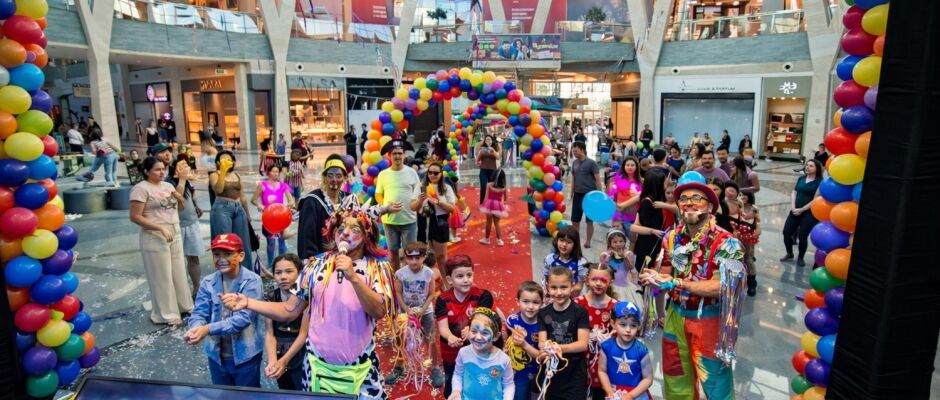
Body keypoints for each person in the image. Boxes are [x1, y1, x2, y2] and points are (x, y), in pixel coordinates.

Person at [221, 197, 392, 398]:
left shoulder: (377, 269)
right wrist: (248, 303)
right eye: (341, 227)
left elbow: (379, 311)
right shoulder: (314, 266)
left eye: (354, 229)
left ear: (366, 235)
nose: (345, 232)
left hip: (361, 369)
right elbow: (289, 310)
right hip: (317, 369)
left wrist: (353, 278)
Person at [639, 172, 744, 400]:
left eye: (697, 198)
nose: (689, 204)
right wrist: (654, 277)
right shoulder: (671, 237)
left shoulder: (728, 243)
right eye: (683, 199)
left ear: (710, 207)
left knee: (716, 385)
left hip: (709, 320)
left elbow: (722, 286)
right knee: (675, 380)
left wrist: (677, 282)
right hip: (674, 317)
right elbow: (666, 271)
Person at [184, 234, 265, 387]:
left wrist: (207, 329)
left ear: (240, 256)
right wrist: (195, 329)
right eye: (216, 255)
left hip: (245, 356)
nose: (221, 259)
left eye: (227, 254)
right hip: (216, 356)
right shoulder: (208, 281)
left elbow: (242, 319)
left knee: (247, 396)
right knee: (222, 394)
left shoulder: (252, 281)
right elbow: (199, 312)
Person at [129, 157, 193, 325]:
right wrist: (160, 228)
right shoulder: (140, 189)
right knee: (161, 276)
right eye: (157, 169)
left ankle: (184, 305)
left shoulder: (168, 186)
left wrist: (179, 197)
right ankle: (166, 313)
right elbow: (135, 216)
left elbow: (175, 208)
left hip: (174, 231)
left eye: (163, 169)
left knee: (179, 271)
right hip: (155, 235)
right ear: (146, 171)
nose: (161, 172)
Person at [385, 242, 445, 387]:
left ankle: (435, 368)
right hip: (405, 312)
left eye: (417, 258)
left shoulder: (428, 273)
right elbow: (398, 293)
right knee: (401, 339)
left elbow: (431, 294)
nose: (413, 261)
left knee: (430, 339)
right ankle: (399, 366)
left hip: (425, 311)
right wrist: (406, 309)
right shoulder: (401, 273)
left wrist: (423, 310)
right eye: (410, 258)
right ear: (405, 258)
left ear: (424, 257)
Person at [436, 255, 495, 398]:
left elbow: (483, 319)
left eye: (469, 275)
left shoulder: (483, 296)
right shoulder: (443, 299)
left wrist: (471, 328)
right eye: (460, 276)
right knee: (452, 387)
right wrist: (450, 337)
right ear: (449, 280)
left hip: (477, 351)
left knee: (477, 383)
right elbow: (442, 327)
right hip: (451, 352)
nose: (466, 279)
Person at [536, 267, 590, 400]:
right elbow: (542, 343)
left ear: (572, 287)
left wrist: (558, 348)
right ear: (547, 288)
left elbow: (583, 344)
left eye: (564, 287)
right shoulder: (543, 313)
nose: (559, 292)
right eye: (554, 287)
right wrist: (546, 347)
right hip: (552, 371)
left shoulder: (580, 312)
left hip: (574, 373)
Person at [449, 307, 515, 400]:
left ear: (496, 336)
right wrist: (456, 391)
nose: (478, 337)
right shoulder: (463, 353)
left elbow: (508, 385)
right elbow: (458, 374)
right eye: (474, 331)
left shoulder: (503, 360)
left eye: (485, 333)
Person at [263, 254, 308, 390]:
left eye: (289, 271)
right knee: (285, 392)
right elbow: (270, 333)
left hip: (301, 355)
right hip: (279, 353)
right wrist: (272, 361)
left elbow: (303, 335)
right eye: (278, 272)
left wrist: (284, 361)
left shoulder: (305, 297)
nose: (283, 276)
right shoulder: (271, 296)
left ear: (300, 273)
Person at [574, 264, 618, 400]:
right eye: (594, 279)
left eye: (603, 280)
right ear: (587, 280)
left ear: (611, 281)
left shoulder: (616, 306)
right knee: (578, 391)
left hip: (604, 361)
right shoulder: (577, 303)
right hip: (580, 358)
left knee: (600, 393)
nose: (598, 283)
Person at [376, 139, 420, 270]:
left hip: (409, 220)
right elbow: (378, 194)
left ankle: (408, 278)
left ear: (404, 155)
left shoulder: (412, 172)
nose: (397, 156)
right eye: (394, 153)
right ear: (389, 156)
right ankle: (395, 277)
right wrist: (386, 206)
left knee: (410, 253)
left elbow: (417, 193)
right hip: (390, 221)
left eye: (400, 153)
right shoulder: (383, 174)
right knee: (393, 252)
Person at [296, 154, 351, 259]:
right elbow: (307, 235)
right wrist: (311, 260)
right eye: (330, 175)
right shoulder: (312, 201)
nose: (334, 179)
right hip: (321, 260)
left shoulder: (348, 200)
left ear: (345, 178)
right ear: (324, 177)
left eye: (338, 176)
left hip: (346, 257)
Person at [597, 301, 653, 400]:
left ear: (639, 326)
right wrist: (609, 391)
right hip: (614, 394)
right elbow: (602, 371)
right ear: (613, 324)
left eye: (633, 325)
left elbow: (648, 379)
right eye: (623, 324)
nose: (628, 330)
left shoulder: (642, 351)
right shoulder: (606, 347)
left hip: (636, 395)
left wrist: (630, 396)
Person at [209, 150, 253, 271]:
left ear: (233, 161)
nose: (226, 162)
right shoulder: (214, 175)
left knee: (243, 242)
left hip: (238, 207)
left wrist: (247, 214)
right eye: (223, 160)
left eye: (228, 160)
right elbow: (218, 190)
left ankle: (246, 272)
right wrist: (222, 172)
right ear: (218, 162)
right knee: (225, 242)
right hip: (222, 208)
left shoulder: (237, 175)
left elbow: (243, 196)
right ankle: (226, 271)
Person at [167, 156, 205, 296]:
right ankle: (180, 292)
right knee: (176, 261)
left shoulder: (187, 180)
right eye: (182, 166)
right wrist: (181, 179)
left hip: (191, 222)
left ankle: (196, 287)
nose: (186, 168)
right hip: (177, 225)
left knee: (194, 258)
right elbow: (177, 199)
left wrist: (196, 205)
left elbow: (191, 193)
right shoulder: (168, 183)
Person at [412, 162, 457, 273]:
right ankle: (425, 280)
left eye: (436, 173)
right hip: (423, 221)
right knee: (423, 255)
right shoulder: (421, 186)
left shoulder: (446, 188)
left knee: (441, 256)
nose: (432, 175)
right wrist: (420, 200)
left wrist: (438, 202)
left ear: (441, 174)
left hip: (440, 221)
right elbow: (412, 207)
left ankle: (445, 279)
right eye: (430, 172)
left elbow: (452, 208)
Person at [251, 164, 296, 268]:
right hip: (268, 219)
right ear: (268, 172)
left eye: (277, 171)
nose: (276, 173)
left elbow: (291, 201)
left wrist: (289, 205)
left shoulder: (283, 185)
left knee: (282, 241)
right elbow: (253, 199)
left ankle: (283, 264)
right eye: (273, 171)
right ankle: (271, 265)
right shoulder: (262, 185)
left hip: (281, 217)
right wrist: (259, 205)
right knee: (270, 243)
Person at [505, 281, 543, 400]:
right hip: (519, 371)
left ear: (542, 303)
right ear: (518, 301)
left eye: (535, 302)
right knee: (519, 396)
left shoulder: (544, 323)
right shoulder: (512, 321)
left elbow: (542, 355)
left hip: (539, 371)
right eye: (526, 301)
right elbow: (506, 346)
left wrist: (524, 344)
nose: (530, 306)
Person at [630, 169, 673, 272]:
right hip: (648, 245)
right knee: (645, 273)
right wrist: (653, 231)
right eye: (664, 181)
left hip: (656, 243)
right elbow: (635, 226)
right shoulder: (647, 202)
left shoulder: (660, 200)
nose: (666, 182)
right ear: (657, 184)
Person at [781, 159, 823, 267]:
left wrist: (802, 209)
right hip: (795, 210)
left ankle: (800, 257)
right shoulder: (801, 178)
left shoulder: (820, 182)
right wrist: (793, 207)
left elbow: (816, 199)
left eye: (811, 166)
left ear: (817, 169)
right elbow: (794, 192)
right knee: (786, 232)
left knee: (802, 237)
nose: (807, 167)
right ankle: (789, 253)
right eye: (807, 165)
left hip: (809, 213)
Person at [571, 141, 603, 248]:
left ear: (582, 149)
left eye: (576, 150)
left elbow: (598, 180)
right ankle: (575, 240)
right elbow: (573, 179)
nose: (574, 153)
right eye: (573, 151)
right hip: (578, 195)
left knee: (589, 221)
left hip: (590, 196)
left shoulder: (591, 163)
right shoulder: (574, 163)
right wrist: (571, 193)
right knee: (575, 220)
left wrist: (600, 195)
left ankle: (588, 241)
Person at [600, 230, 641, 306]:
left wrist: (626, 260)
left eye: (621, 241)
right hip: (610, 285)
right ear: (610, 243)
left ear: (625, 241)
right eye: (615, 242)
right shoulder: (606, 254)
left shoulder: (628, 254)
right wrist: (606, 260)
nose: (618, 244)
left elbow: (631, 268)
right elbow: (602, 269)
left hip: (623, 286)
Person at [607, 156, 642, 233]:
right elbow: (611, 195)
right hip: (619, 212)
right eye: (627, 165)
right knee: (617, 237)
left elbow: (642, 198)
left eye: (632, 165)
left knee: (633, 239)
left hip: (633, 214)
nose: (630, 167)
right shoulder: (617, 179)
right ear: (624, 166)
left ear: (636, 167)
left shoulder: (641, 182)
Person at [479, 168, 509, 246]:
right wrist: (502, 203)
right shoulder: (504, 187)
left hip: (489, 204)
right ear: (503, 178)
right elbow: (506, 198)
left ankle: (486, 239)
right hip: (498, 205)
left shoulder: (489, 185)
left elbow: (486, 197)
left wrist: (483, 205)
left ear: (493, 176)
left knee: (488, 222)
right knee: (497, 222)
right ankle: (499, 240)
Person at [476, 135, 500, 204]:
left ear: (492, 141)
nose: (488, 141)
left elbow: (498, 157)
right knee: (483, 186)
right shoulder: (482, 150)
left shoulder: (495, 149)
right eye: (487, 139)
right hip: (483, 171)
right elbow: (477, 160)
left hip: (493, 171)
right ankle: (482, 202)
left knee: (492, 188)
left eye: (489, 139)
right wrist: (478, 163)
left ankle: (492, 202)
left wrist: (492, 150)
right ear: (485, 141)